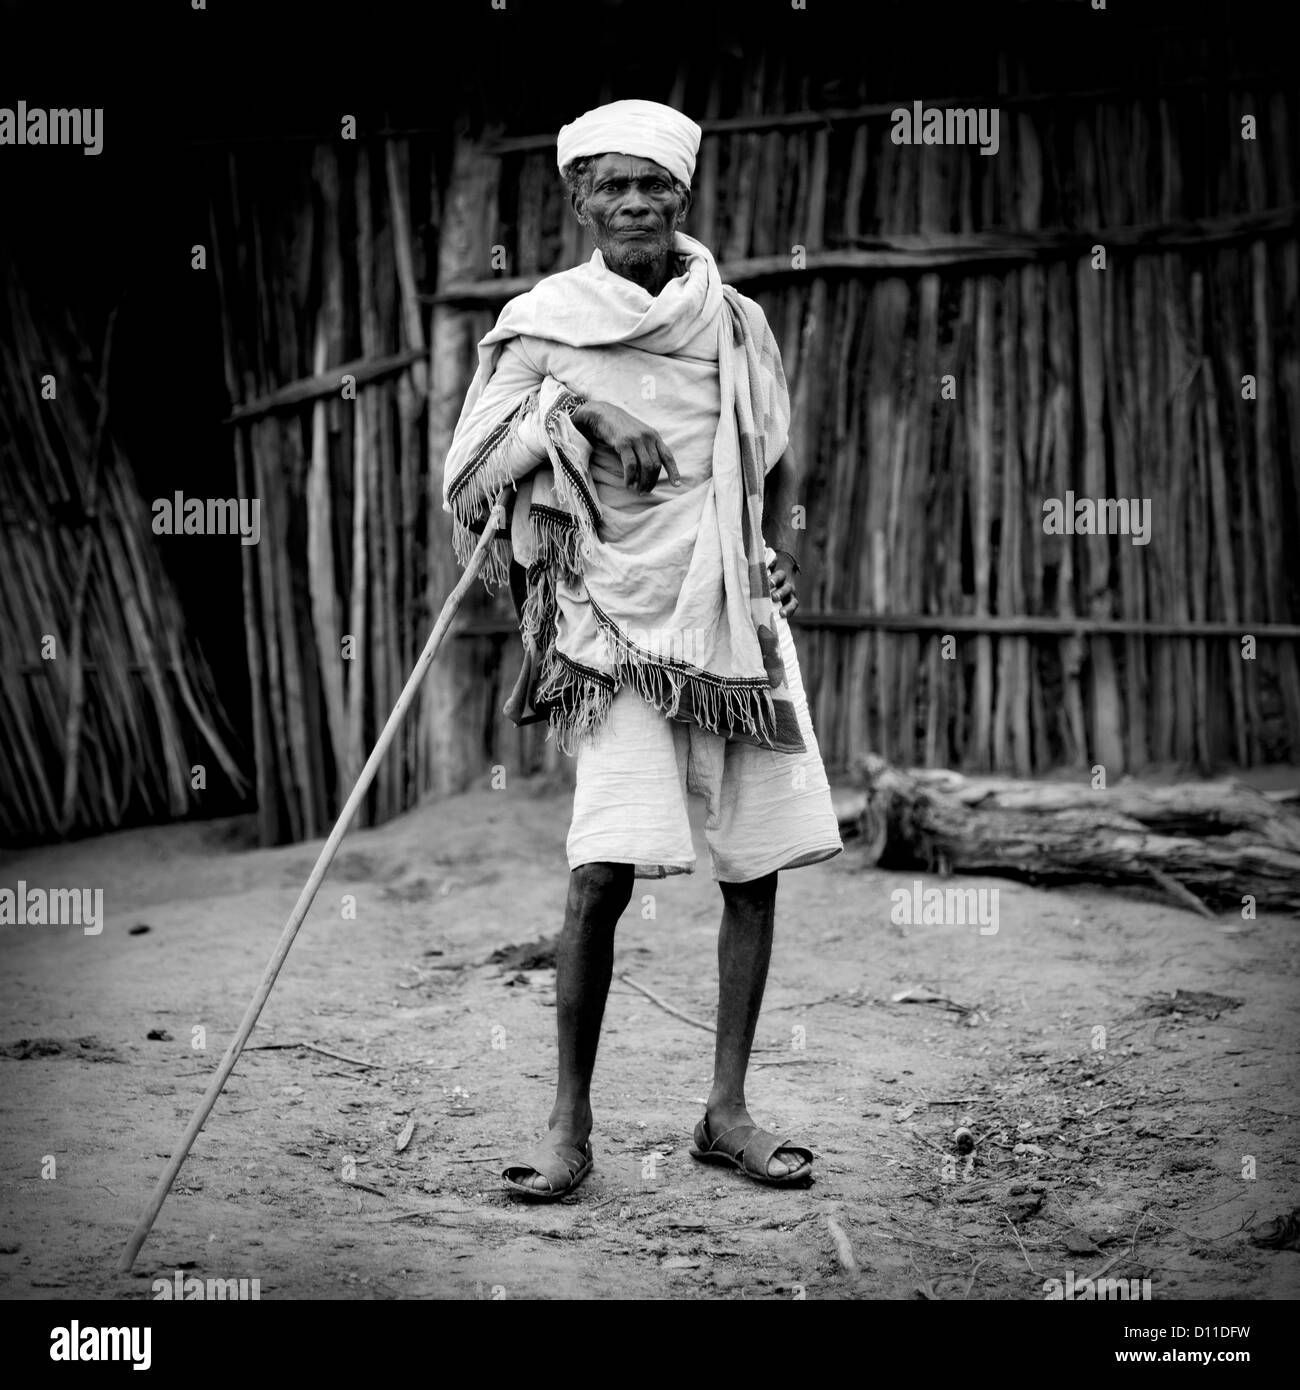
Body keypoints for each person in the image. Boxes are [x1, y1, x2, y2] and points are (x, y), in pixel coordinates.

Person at [442, 98, 842, 1199]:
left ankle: (725, 1112)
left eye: (651, 185)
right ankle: (570, 1129)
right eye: (610, 185)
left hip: (733, 615)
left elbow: (775, 458)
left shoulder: (734, 321)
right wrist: (570, 412)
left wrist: (779, 546)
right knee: (599, 873)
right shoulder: (540, 325)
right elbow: (467, 477)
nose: (632, 202)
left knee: (753, 870)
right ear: (577, 198)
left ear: (682, 195)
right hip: (612, 626)